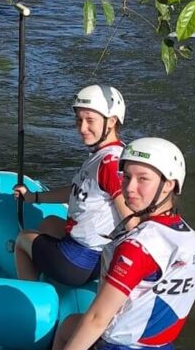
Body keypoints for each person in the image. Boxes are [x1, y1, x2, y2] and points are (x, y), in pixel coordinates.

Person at [31, 138, 195, 350]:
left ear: (168, 184)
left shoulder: (139, 246)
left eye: (142, 179)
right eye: (127, 178)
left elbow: (99, 317)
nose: (129, 189)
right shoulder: (192, 240)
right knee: (69, 326)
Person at [12, 84, 130, 285]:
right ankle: (48, 272)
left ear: (111, 121)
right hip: (93, 255)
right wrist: (34, 197)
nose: (82, 128)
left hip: (81, 263)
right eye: (79, 120)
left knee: (23, 239)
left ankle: (31, 297)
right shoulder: (108, 154)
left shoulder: (109, 164)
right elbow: (77, 191)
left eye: (90, 120)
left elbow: (130, 218)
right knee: (50, 223)